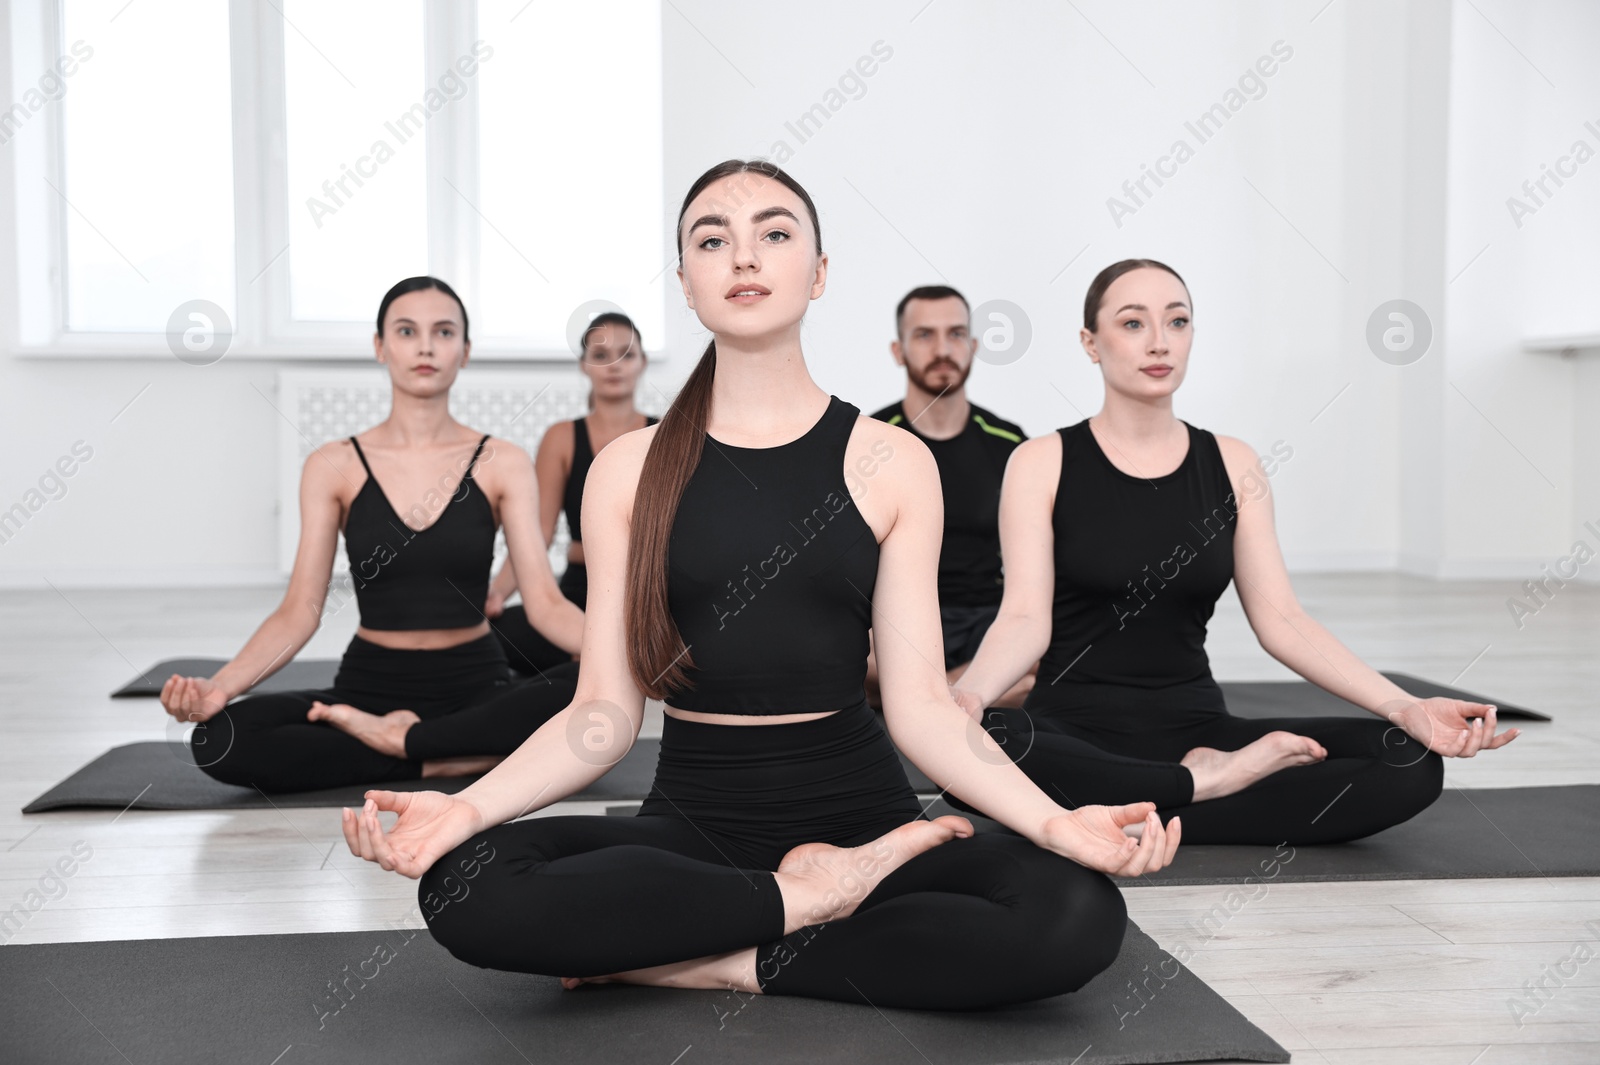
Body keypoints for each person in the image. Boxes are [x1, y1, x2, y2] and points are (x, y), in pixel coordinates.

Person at [340, 161, 1181, 1010]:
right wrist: (464, 810)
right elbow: (601, 715)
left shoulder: (892, 462)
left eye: (774, 234)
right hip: (694, 824)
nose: (743, 257)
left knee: (1073, 913)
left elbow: (923, 707)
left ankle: (716, 961)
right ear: (686, 282)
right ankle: (803, 904)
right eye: (714, 239)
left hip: (865, 820)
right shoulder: (628, 470)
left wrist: (1053, 821)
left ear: (817, 273)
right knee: (467, 882)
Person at [948, 259, 1518, 845]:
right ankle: (1194, 791)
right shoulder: (1041, 462)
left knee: (1409, 762)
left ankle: (1140, 806)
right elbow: (1022, 618)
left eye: (1177, 321)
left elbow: (1283, 620)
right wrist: (971, 695)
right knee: (984, 740)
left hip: (1201, 729)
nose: (1160, 342)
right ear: (1090, 343)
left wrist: (1405, 708)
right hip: (1072, 731)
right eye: (1133, 324)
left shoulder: (1234, 463)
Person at [159, 277, 585, 792]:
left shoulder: (503, 462)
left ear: (465, 352)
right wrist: (218, 687)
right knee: (220, 738)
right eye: (407, 331)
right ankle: (446, 756)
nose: (426, 346)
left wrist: (633, 657)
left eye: (443, 332)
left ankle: (405, 745)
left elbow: (544, 603)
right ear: (381, 347)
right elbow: (300, 610)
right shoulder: (333, 465)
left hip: (476, 683)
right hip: (369, 686)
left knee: (585, 691)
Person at [867, 285, 1035, 709]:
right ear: (897, 350)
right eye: (924, 335)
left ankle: (930, 698)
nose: (943, 349)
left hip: (986, 619)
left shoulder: (1009, 444)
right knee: (839, 655)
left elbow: (1033, 571)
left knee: (1043, 662)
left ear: (974, 346)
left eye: (956, 334)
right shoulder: (868, 442)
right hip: (896, 623)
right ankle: (956, 699)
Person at [483, 312, 657, 673]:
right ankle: (596, 653)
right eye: (601, 354)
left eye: (627, 353)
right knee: (488, 633)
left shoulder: (664, 434)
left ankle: (598, 655)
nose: (615, 365)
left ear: (642, 363)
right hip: (580, 592)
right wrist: (497, 593)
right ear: (584, 366)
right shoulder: (561, 437)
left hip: (648, 592)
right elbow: (537, 532)